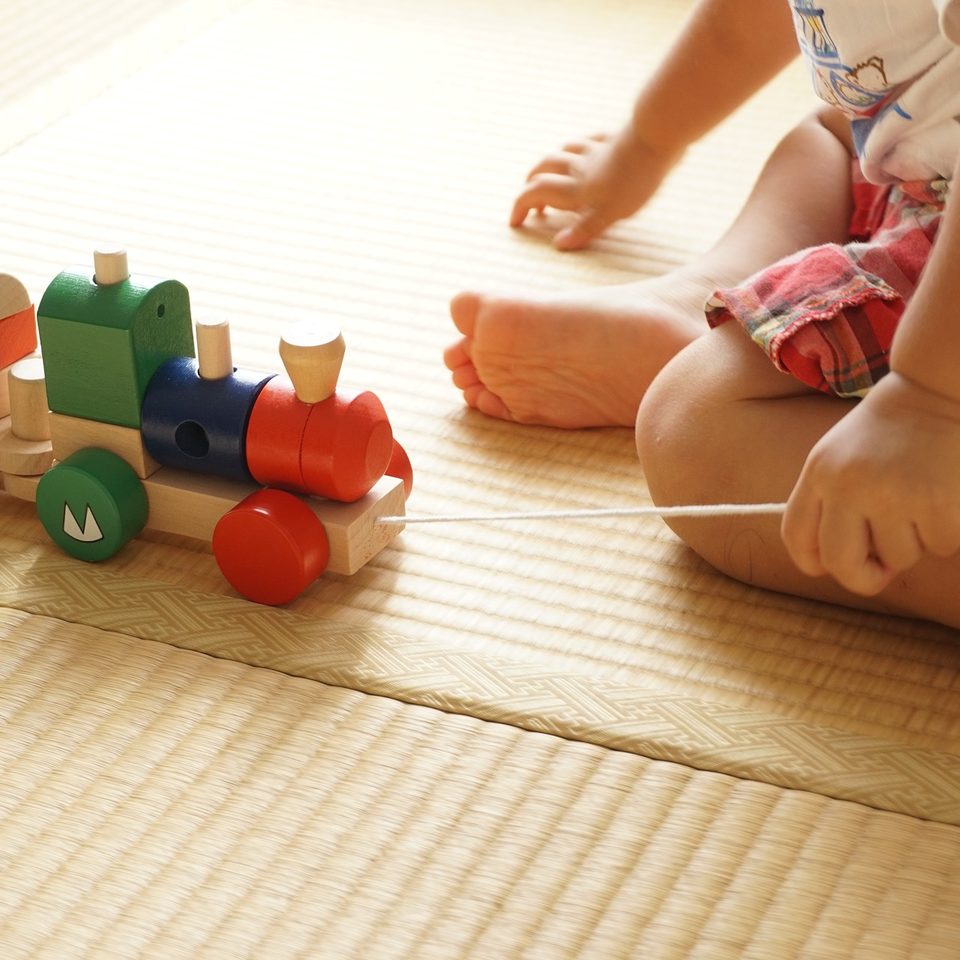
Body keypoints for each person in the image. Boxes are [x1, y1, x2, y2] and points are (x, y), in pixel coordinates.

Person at [443, 0, 960, 628]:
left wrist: (927, 405)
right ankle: (706, 306)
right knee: (830, 135)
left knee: (692, 437)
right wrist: (645, 144)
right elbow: (749, 16)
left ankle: (764, 353)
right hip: (925, 184)